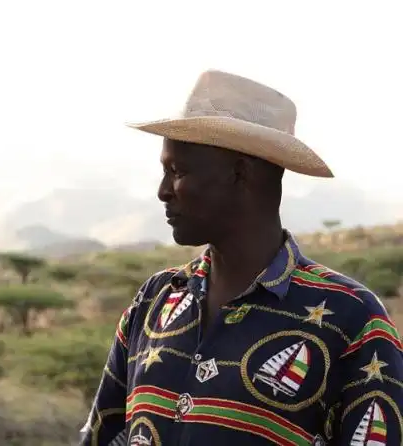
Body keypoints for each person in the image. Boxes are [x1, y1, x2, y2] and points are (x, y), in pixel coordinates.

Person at [79, 70, 403, 446]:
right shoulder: (154, 300)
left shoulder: (351, 319)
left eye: (177, 171)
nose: (163, 191)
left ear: (240, 173)